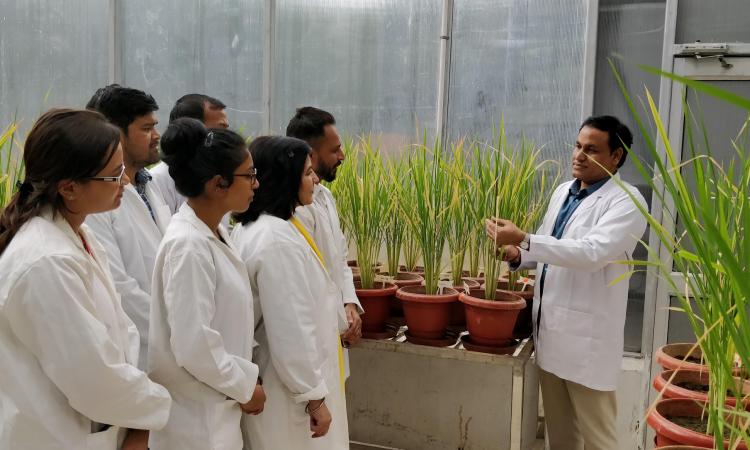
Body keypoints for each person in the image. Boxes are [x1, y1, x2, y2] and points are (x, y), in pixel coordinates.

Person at [0, 108, 172, 449]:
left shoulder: (77, 237)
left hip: (96, 426)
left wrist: (140, 420)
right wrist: (155, 405)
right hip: (57, 436)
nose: (125, 181)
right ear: (69, 188)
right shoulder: (47, 262)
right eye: (113, 175)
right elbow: (92, 379)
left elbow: (121, 333)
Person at [485, 115, 647, 450]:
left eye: (592, 150)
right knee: (560, 437)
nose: (578, 155)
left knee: (598, 439)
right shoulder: (564, 192)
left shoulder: (627, 202)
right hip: (552, 334)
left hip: (587, 344)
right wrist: (518, 254)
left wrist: (525, 238)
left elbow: (591, 253)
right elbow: (549, 245)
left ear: (616, 157)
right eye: (577, 146)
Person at [148, 118, 264, 450]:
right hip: (196, 424)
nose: (256, 184)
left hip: (216, 410)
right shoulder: (189, 245)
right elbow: (194, 344)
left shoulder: (213, 231)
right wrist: (245, 388)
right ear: (218, 184)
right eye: (249, 175)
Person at [232, 136, 350, 449]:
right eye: (307, 172)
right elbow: (291, 329)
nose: (315, 179)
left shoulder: (276, 227)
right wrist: (313, 398)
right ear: (286, 179)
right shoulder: (276, 240)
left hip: (290, 381)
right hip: (288, 392)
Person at [85, 85, 172, 371]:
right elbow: (118, 286)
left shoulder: (148, 185)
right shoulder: (94, 200)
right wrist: (173, 333)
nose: (156, 136)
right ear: (114, 133)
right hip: (137, 355)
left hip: (168, 348)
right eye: (146, 128)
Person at [286, 107, 362, 359]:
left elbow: (339, 258)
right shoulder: (293, 209)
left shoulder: (325, 197)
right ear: (310, 154)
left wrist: (349, 305)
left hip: (333, 332)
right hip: (312, 340)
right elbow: (304, 283)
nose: (342, 156)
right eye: (334, 150)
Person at [151, 94, 230, 215]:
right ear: (192, 127)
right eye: (221, 128)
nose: (228, 136)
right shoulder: (158, 180)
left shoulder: (215, 176)